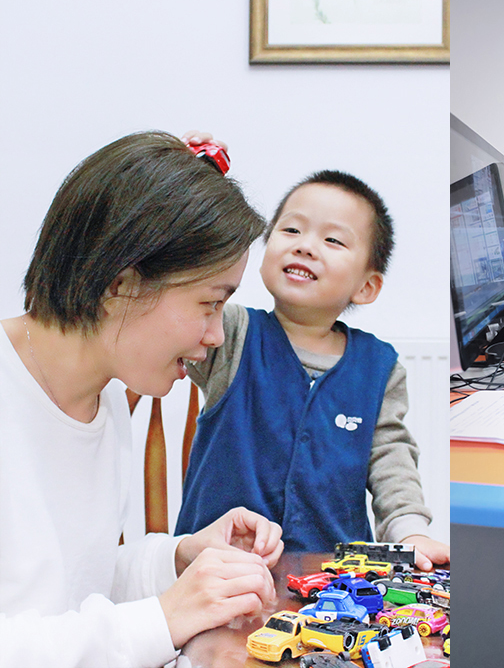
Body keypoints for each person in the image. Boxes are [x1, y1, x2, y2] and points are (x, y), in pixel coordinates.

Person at [0, 131, 285, 668]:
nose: (216, 336)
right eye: (209, 303)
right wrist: (162, 618)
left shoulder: (104, 398)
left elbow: (74, 586)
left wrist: (179, 558)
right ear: (121, 284)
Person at [174, 167, 450, 571]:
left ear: (366, 287)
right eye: (291, 230)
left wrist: (410, 532)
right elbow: (182, 283)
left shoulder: (379, 367)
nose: (305, 246)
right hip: (219, 572)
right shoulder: (229, 333)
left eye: (333, 240)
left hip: (336, 581)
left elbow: (392, 459)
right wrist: (193, 180)